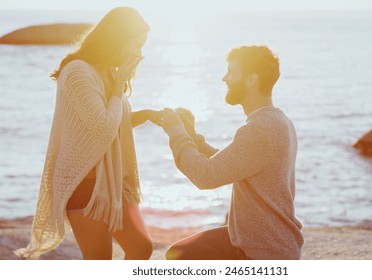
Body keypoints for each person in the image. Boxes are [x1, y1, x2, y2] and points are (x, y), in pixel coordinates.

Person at [14, 7, 160, 260]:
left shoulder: (108, 74)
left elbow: (112, 124)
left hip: (113, 183)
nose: (139, 54)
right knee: (99, 261)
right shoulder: (78, 72)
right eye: (136, 45)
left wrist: (149, 115)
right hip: (85, 183)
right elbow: (103, 128)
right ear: (116, 39)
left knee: (141, 247)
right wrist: (118, 86)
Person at [160, 45, 304, 260]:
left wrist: (175, 130)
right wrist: (192, 136)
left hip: (262, 249)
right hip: (260, 240)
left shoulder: (260, 128)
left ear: (251, 79)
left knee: (179, 257)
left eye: (231, 71)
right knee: (180, 253)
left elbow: (205, 176)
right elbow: (234, 164)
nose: (224, 78)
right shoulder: (277, 121)